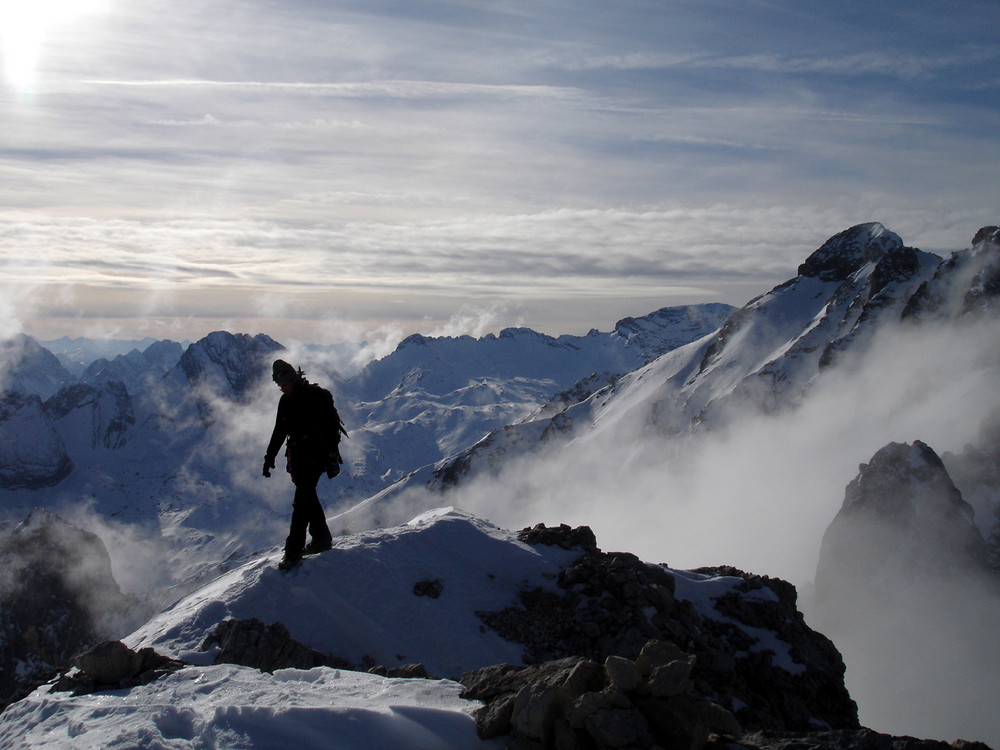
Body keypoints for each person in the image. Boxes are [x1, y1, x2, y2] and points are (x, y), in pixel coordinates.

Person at [262, 359, 345, 570]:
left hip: (315, 458)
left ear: (292, 379)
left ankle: (293, 552)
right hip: (300, 458)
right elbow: (279, 431)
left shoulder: (317, 396)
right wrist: (269, 457)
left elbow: (331, 429)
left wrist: (328, 454)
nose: (281, 388)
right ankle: (321, 539)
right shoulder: (287, 401)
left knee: (301, 502)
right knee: (307, 497)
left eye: (283, 384)